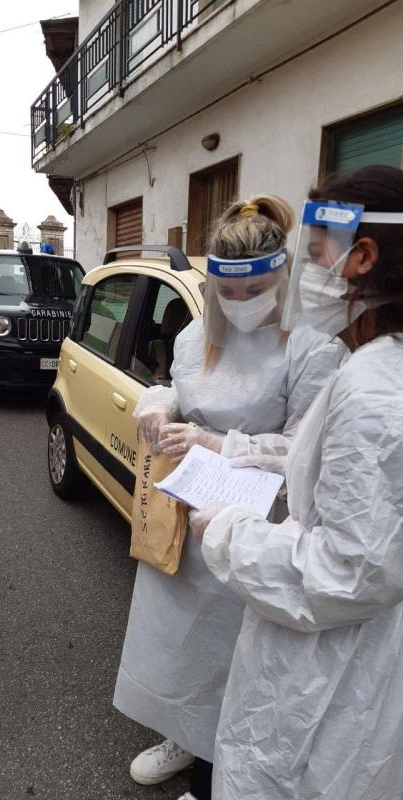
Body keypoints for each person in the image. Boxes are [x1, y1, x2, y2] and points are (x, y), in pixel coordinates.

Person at [113, 196, 345, 800]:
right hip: (185, 516)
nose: (240, 306)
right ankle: (181, 735)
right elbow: (173, 387)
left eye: (256, 291)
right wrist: (157, 406)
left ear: (282, 276)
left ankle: (220, 772)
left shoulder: (311, 348)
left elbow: (307, 452)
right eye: (229, 293)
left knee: (234, 655)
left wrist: (221, 443)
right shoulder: (197, 335)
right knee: (177, 641)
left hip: (254, 524)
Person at [196, 165, 403, 800]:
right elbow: (334, 465)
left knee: (286, 775)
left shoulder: (371, 388)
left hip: (334, 670)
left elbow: (351, 571)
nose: (305, 278)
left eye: (313, 256)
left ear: (361, 255)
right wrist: (232, 446)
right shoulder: (375, 361)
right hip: (357, 659)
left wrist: (228, 532)